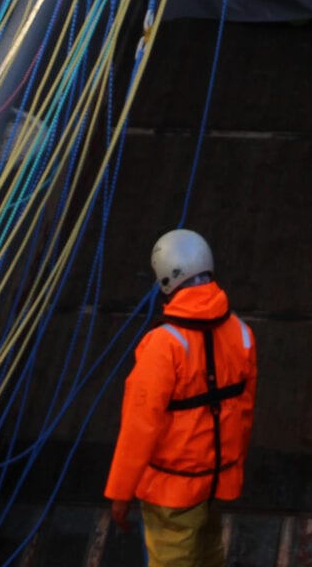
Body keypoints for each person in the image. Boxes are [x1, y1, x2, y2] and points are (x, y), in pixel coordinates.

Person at [105, 229, 257, 567]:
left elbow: (138, 427)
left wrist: (120, 493)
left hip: (171, 492)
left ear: (164, 279)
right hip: (216, 481)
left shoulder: (163, 345)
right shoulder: (242, 334)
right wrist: (230, 468)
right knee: (208, 555)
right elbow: (243, 415)